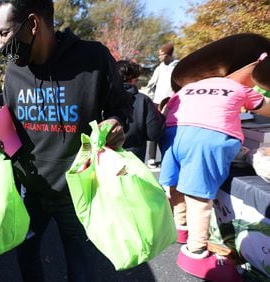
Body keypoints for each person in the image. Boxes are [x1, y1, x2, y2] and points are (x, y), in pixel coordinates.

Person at [0, 1, 134, 281]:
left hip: (78, 192)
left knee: (80, 268)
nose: (0, 44)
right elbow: (10, 123)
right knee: (26, 256)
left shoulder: (93, 59)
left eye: (5, 33)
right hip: (30, 190)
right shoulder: (13, 71)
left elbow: (122, 105)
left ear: (33, 24)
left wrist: (117, 122)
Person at [159, 33, 270, 280]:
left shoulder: (189, 87)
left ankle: (180, 227)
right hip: (207, 139)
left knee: (176, 185)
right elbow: (266, 108)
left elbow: (169, 108)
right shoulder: (239, 87)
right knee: (199, 197)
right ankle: (195, 251)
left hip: (172, 133)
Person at [116, 60, 164, 161]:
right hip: (134, 158)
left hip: (105, 156)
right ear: (133, 79)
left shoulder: (103, 98)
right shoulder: (143, 100)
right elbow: (153, 133)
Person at [144, 43, 179, 168]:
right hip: (157, 101)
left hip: (172, 101)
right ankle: (152, 157)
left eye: (161, 54)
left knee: (167, 128)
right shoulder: (159, 68)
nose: (159, 57)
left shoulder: (177, 66)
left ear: (168, 54)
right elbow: (151, 83)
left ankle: (167, 156)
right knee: (154, 126)